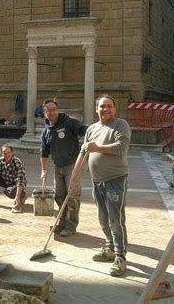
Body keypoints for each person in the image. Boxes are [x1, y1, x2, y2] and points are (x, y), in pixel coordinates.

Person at [70, 94, 131, 277]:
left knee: (116, 219)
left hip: (116, 179)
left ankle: (120, 256)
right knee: (103, 218)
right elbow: (83, 152)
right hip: (97, 181)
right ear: (96, 109)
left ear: (114, 108)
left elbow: (121, 148)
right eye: (102, 106)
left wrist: (98, 148)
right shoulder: (92, 129)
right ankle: (110, 248)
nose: (106, 109)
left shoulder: (120, 125)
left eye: (109, 106)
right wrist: (74, 176)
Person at [40, 99, 88, 237]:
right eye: (48, 110)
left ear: (58, 109)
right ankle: (62, 222)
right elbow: (43, 152)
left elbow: (84, 130)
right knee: (59, 196)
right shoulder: (46, 131)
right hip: (58, 167)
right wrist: (43, 171)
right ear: (44, 113)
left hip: (73, 165)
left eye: (54, 109)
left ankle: (71, 225)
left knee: (72, 196)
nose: (51, 112)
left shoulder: (68, 122)